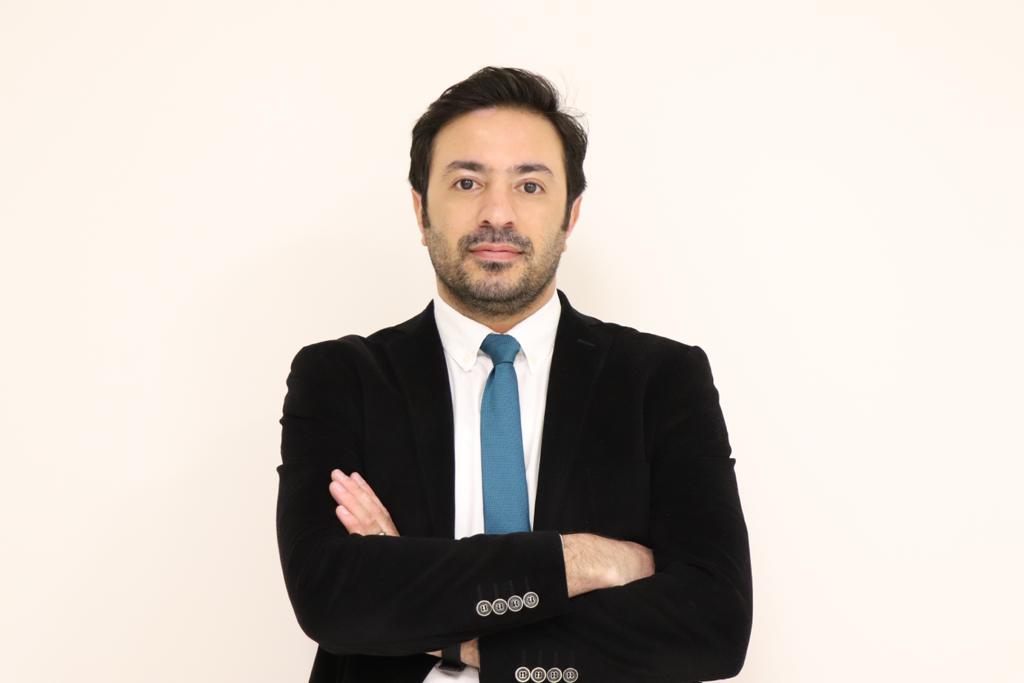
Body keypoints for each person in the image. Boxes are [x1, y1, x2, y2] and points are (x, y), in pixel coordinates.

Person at [276, 66, 752, 683]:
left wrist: (445, 627)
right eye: (467, 182)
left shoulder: (661, 381)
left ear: (570, 215)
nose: (497, 212)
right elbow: (332, 599)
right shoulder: (339, 378)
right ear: (421, 210)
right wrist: (581, 560)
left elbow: (713, 625)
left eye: (530, 186)